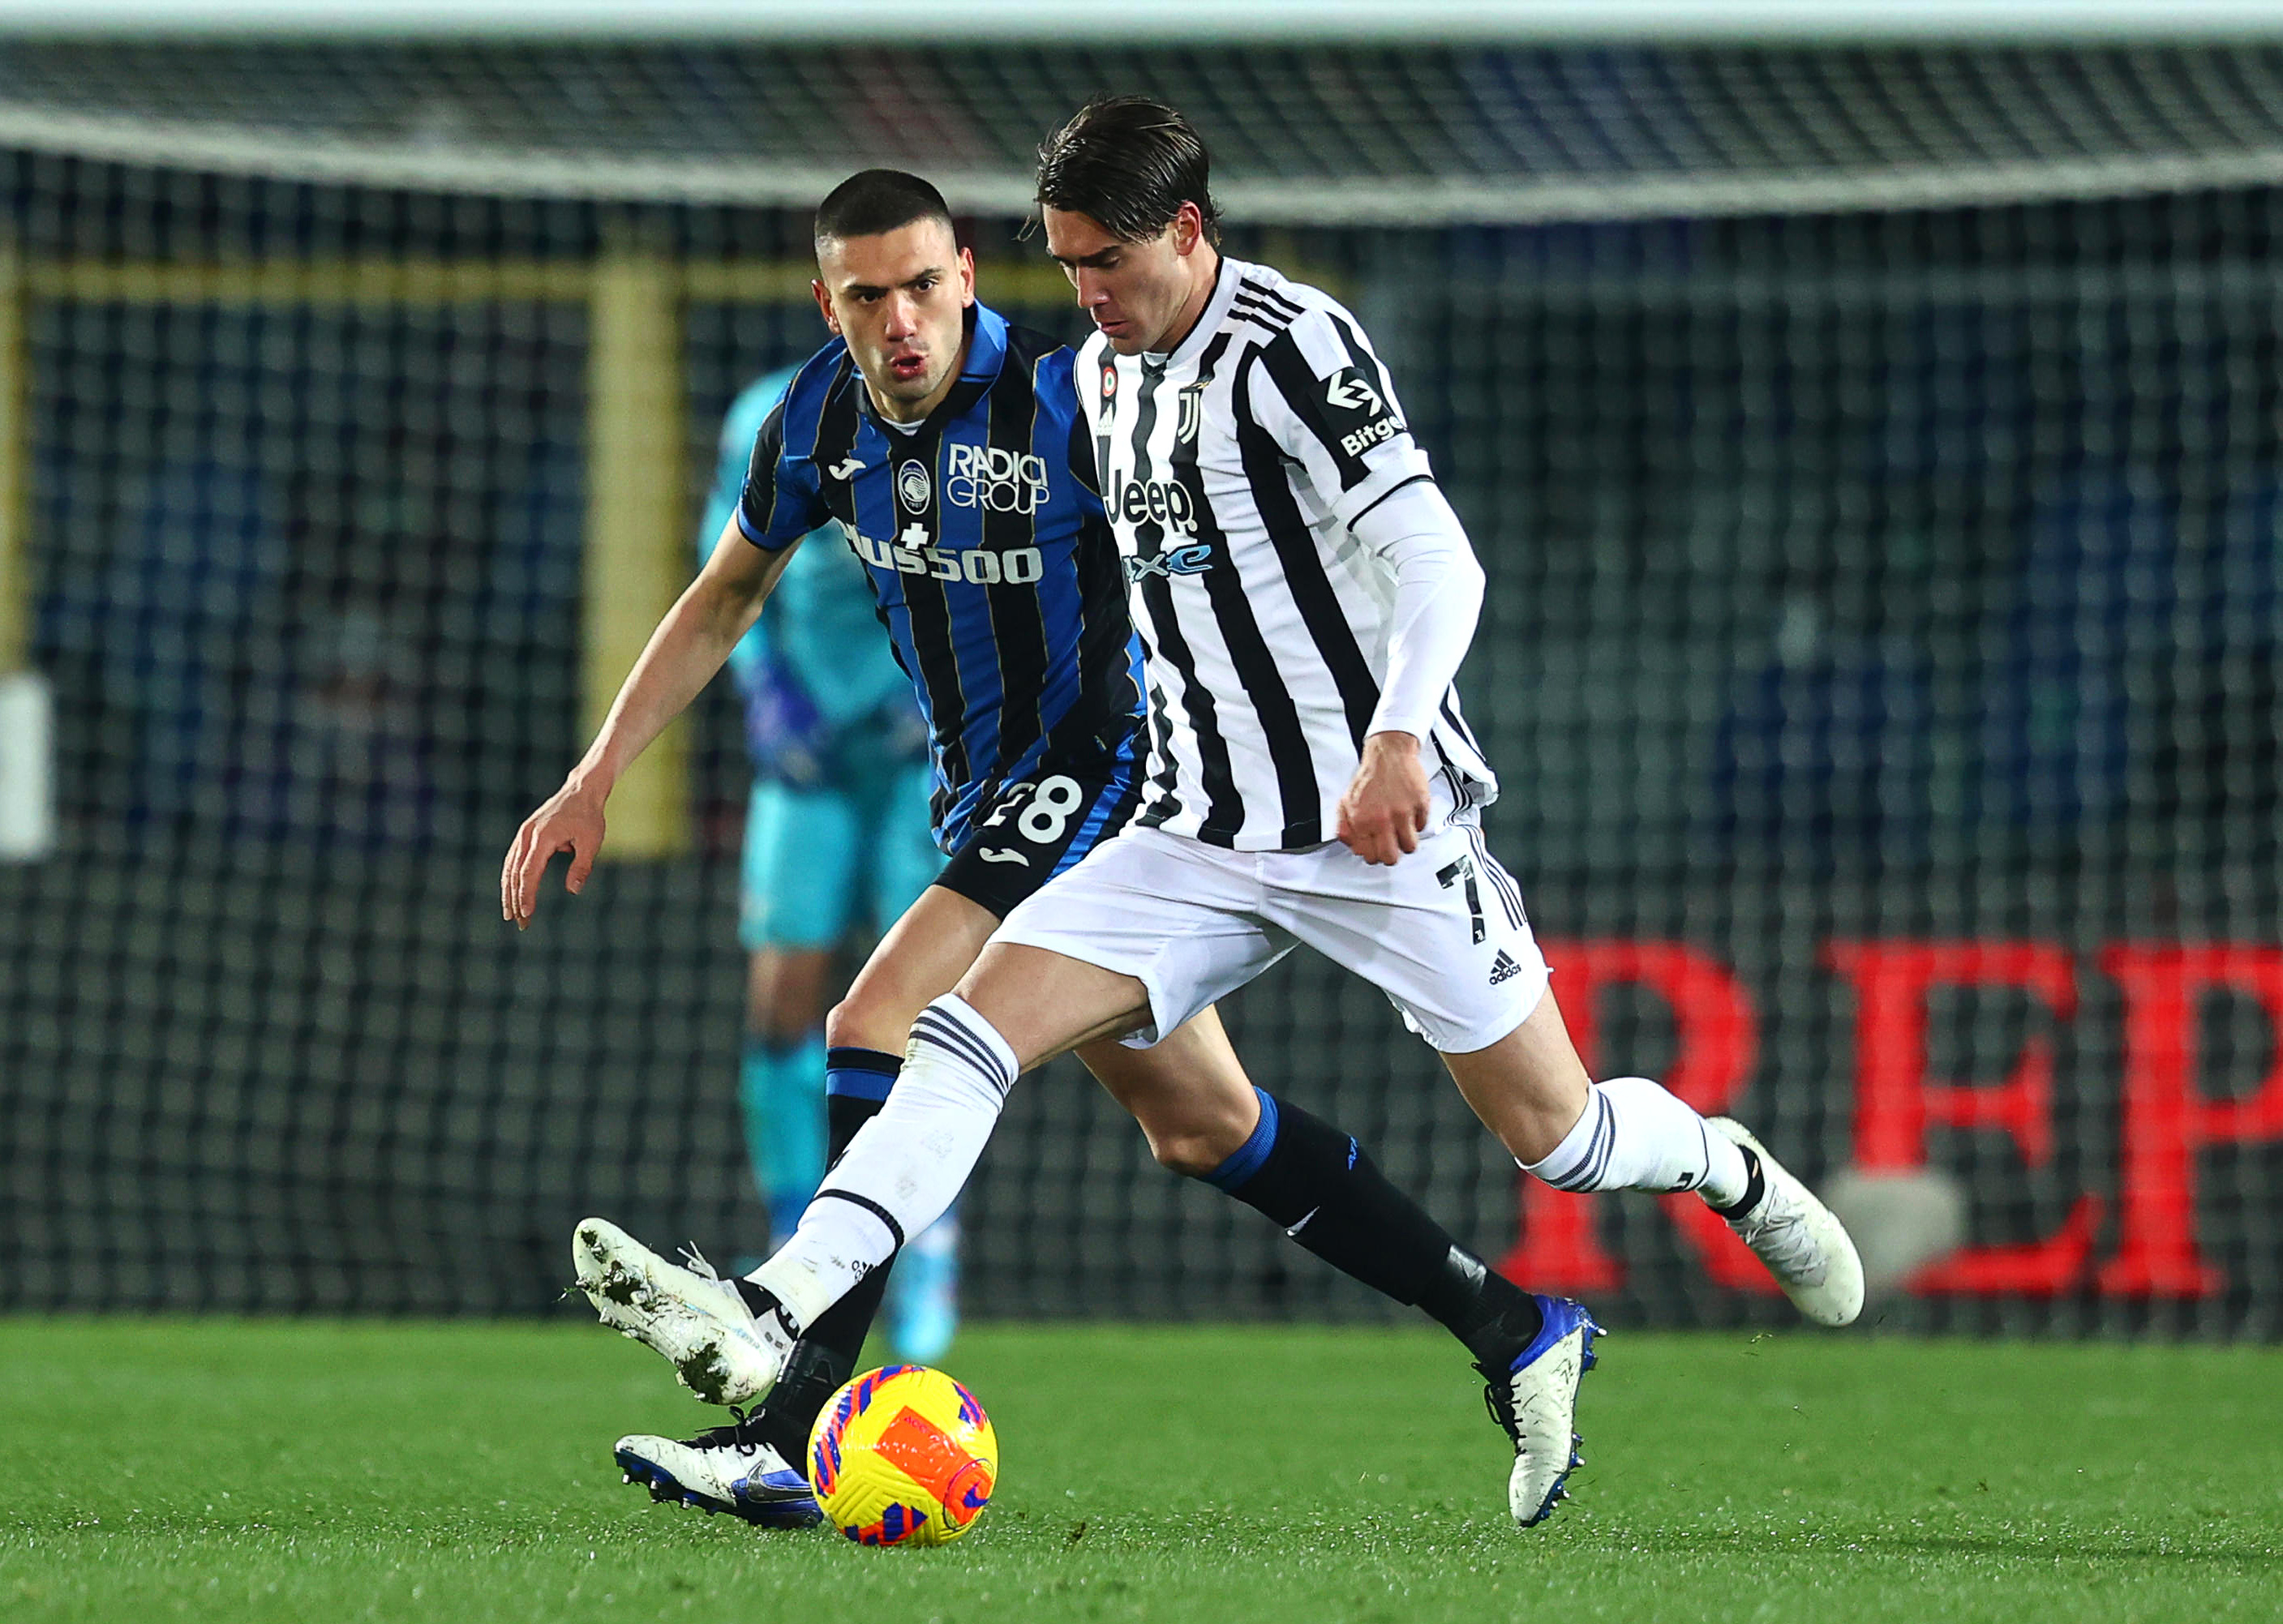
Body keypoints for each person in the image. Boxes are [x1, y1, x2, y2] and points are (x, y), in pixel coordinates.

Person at [633, 103, 1867, 1528]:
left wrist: (1398, 735)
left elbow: (1437, 560)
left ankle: (1722, 1167)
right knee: (961, 1028)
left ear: (1187, 232)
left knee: (1563, 1138)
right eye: (1067, 262)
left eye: (1106, 261)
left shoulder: (1293, 347)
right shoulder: (1094, 375)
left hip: (1373, 831)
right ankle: (776, 1313)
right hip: (1188, 830)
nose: (1085, 294)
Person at [504, 169, 1598, 1532]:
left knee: (875, 1012)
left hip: (1114, 782)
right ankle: (1510, 1325)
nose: (900, 319)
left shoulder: (1068, 403)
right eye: (865, 295)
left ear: (965, 273)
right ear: (824, 302)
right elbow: (727, 593)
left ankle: (787, 1418)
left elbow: (1248, 549)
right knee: (1197, 1123)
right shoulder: (811, 422)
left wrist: (1364, 715)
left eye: (921, 284)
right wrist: (597, 771)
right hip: (978, 796)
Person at [708, 366, 956, 1360]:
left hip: (918, 753)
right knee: (783, 996)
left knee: (923, 1007)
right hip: (806, 759)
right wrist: (767, 694)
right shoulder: (765, 413)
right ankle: (790, 1226)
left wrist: (936, 698)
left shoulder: (969, 424)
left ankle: (924, 1241)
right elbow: (721, 565)